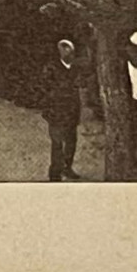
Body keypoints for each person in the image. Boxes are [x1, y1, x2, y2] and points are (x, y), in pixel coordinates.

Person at [42, 38, 83, 181]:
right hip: (56, 111)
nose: (64, 50)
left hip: (71, 110)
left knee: (71, 141)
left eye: (67, 48)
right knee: (57, 143)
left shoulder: (76, 68)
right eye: (62, 47)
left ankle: (67, 168)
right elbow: (46, 90)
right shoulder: (51, 67)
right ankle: (55, 173)